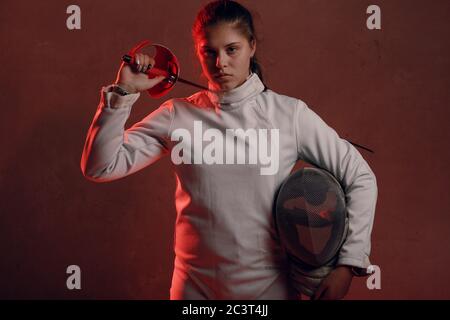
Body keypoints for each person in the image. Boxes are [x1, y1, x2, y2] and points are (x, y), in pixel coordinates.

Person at [81, 0, 378, 300]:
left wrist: (348, 265)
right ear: (199, 52)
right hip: (193, 292)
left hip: (267, 292)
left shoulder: (288, 115)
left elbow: (360, 176)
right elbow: (101, 166)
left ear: (251, 46)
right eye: (209, 52)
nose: (220, 63)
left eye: (231, 49)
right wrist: (123, 92)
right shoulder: (178, 115)